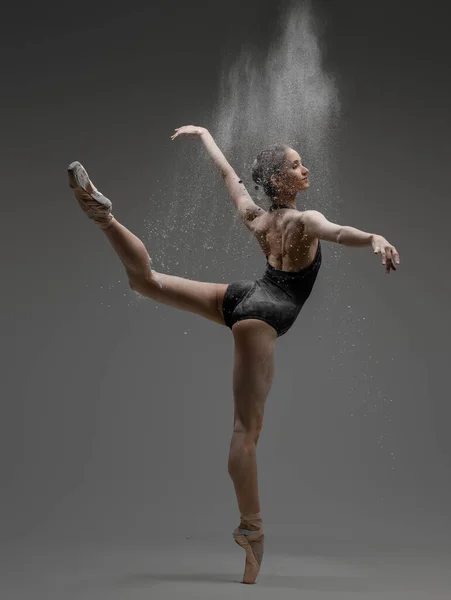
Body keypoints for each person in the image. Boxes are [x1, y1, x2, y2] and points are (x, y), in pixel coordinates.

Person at [67, 125, 400, 584]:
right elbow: (338, 232)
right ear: (281, 181)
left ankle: (105, 218)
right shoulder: (305, 221)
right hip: (264, 314)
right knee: (245, 434)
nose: (307, 168)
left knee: (147, 281)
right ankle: (252, 528)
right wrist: (376, 238)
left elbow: (228, 174)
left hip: (246, 295)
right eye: (297, 164)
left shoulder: (257, 218)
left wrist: (205, 133)